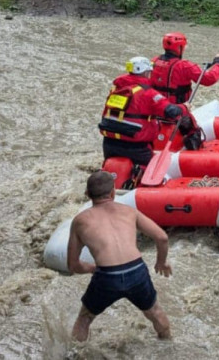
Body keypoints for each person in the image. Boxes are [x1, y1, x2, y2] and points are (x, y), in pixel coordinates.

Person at [68, 170, 174, 342]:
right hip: (136, 270)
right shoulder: (129, 211)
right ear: (112, 193)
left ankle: (74, 354)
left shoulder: (80, 221)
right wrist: (161, 262)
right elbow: (162, 237)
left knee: (85, 318)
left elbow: (73, 265)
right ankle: (168, 344)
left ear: (87, 195)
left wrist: (93, 269)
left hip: (107, 276)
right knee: (154, 312)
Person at [99, 57, 184, 168]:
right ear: (146, 72)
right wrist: (184, 107)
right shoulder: (148, 93)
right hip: (136, 147)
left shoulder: (116, 88)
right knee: (155, 171)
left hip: (109, 143)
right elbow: (171, 112)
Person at [150, 32, 219, 104]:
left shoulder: (154, 60)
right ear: (179, 47)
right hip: (177, 110)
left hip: (156, 107)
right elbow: (209, 79)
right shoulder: (184, 66)